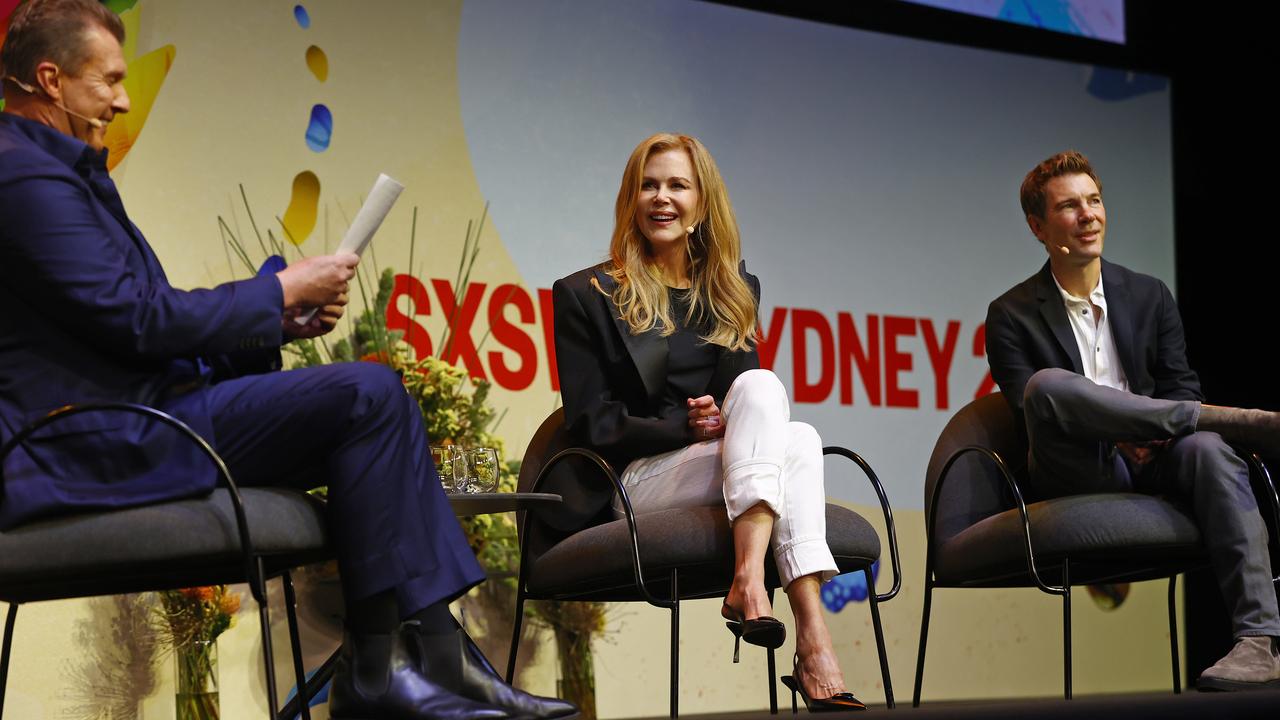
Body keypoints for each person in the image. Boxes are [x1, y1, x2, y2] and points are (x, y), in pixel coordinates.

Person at [0, 2, 575, 718]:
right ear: (49, 79)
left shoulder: (62, 172)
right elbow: (136, 319)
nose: (122, 98)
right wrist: (275, 291)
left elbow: (133, 322)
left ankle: (431, 661)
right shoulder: (21, 175)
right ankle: (386, 672)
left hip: (148, 416)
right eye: (108, 79)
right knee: (366, 397)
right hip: (97, 440)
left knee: (373, 400)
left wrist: (281, 319)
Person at [552, 132, 865, 711]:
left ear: (702, 202)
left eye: (677, 185)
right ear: (631, 199)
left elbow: (745, 405)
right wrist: (683, 427)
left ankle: (790, 619)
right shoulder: (587, 294)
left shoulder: (733, 289)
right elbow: (591, 421)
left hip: (721, 471)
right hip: (634, 481)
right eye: (649, 185)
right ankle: (793, 620)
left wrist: (718, 423)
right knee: (796, 438)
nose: (661, 198)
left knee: (783, 418)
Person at [985, 150, 1280, 691]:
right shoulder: (1011, 313)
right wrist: (1132, 430)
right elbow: (1034, 412)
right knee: (1047, 386)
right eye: (1069, 206)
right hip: (1077, 469)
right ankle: (1244, 421)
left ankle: (1258, 641)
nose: (1089, 215)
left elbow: (1180, 386)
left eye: (1094, 200)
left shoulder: (1148, 294)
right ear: (1038, 226)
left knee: (1213, 450)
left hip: (1159, 458)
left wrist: (1156, 431)